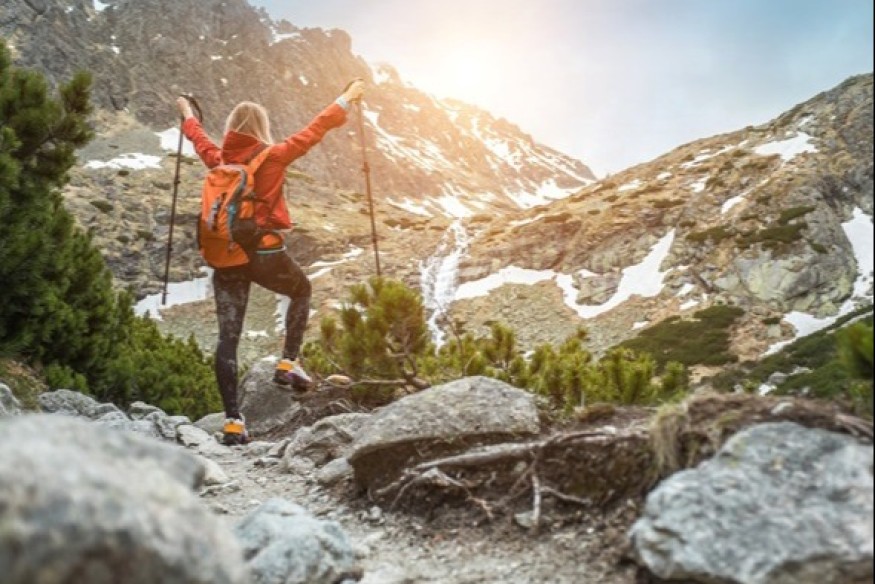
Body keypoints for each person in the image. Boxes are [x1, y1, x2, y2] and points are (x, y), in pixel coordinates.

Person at [176, 79, 365, 445]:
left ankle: (232, 421)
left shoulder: (219, 159)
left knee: (227, 339)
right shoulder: (274, 155)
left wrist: (186, 111)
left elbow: (197, 137)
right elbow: (317, 128)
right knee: (302, 289)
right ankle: (287, 364)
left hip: (227, 257)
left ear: (233, 127)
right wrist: (347, 97)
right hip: (263, 253)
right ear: (260, 127)